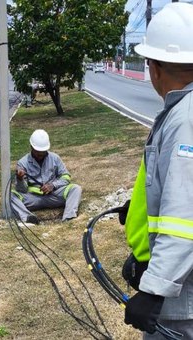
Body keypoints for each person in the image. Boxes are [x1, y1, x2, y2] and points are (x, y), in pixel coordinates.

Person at [122, 3, 193, 339]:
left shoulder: (185, 121)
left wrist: (153, 290)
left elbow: (184, 215)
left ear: (155, 68)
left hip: (183, 306)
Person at [11, 129, 82, 224]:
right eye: (37, 152)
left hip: (54, 195)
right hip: (34, 198)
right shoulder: (22, 163)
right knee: (10, 196)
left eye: (43, 152)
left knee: (75, 189)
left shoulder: (55, 158)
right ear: (31, 147)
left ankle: (68, 218)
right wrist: (20, 179)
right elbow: (22, 190)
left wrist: (53, 185)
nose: (40, 155)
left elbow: (66, 177)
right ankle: (27, 218)